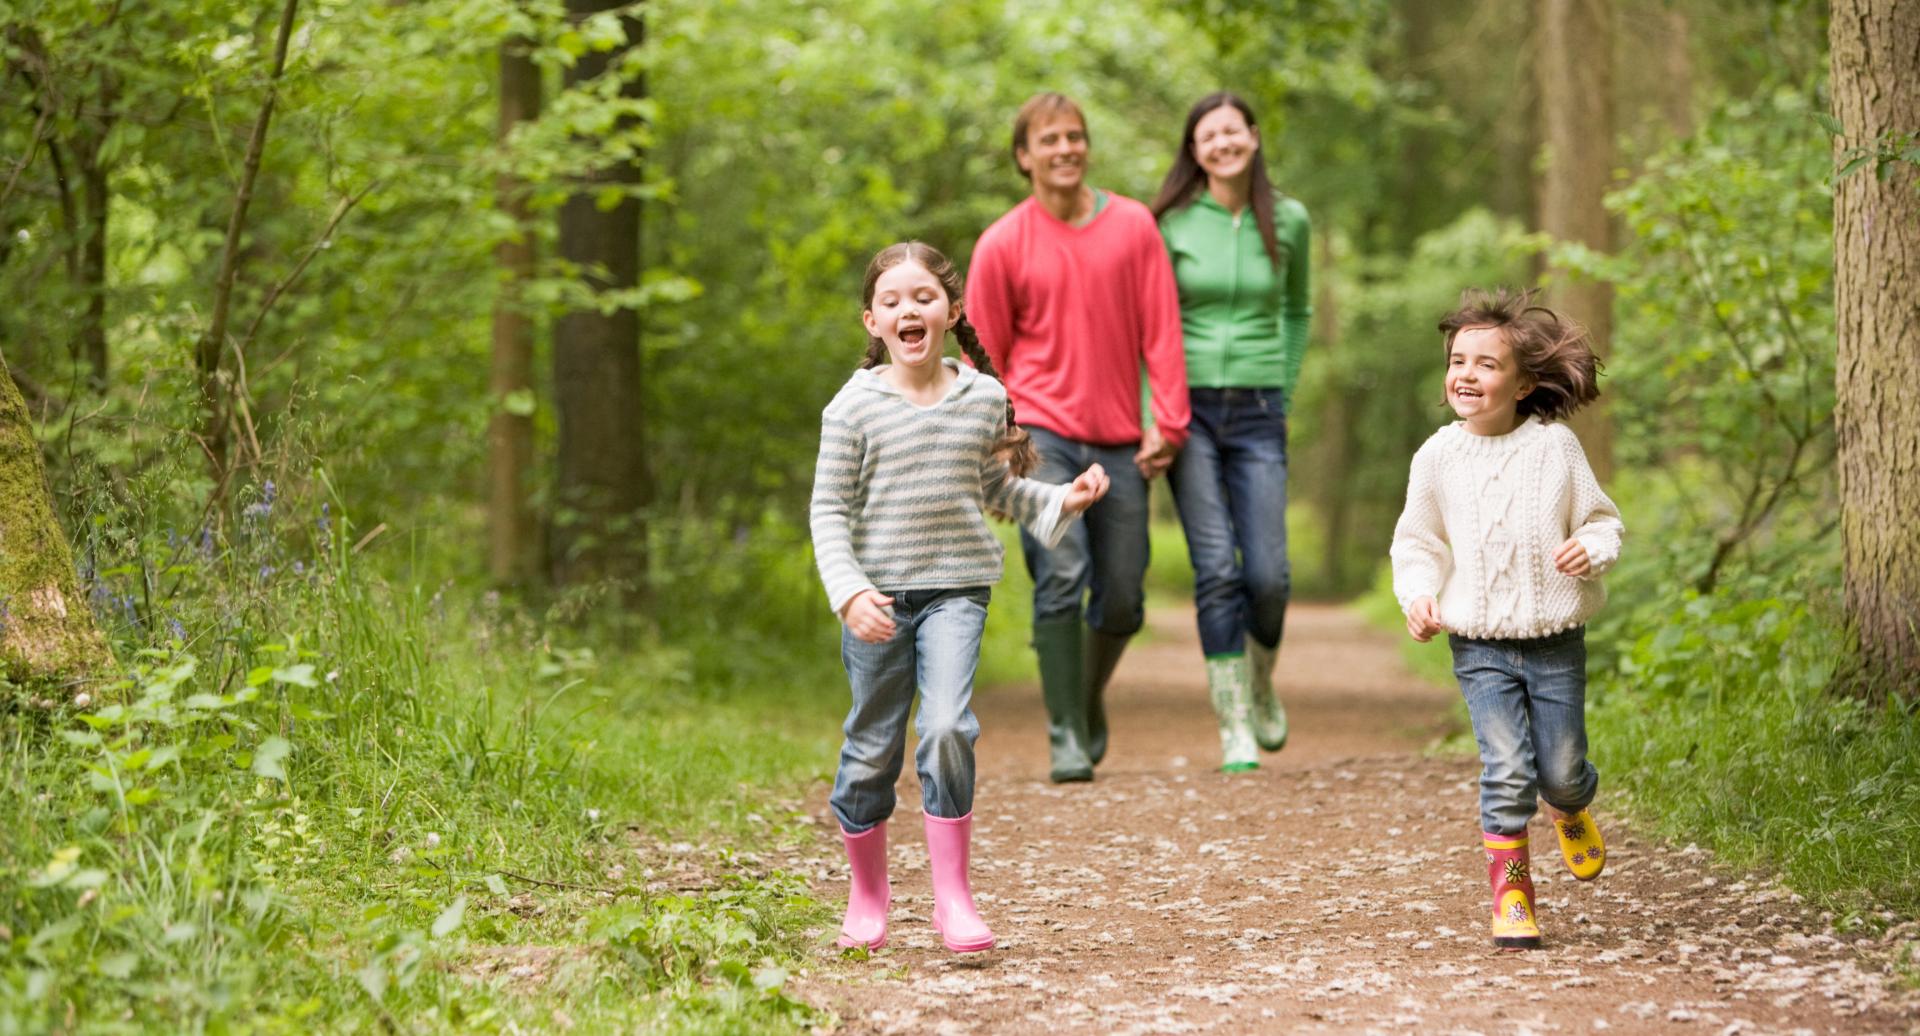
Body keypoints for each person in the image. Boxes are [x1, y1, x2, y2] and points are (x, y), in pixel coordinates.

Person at [811, 241, 1111, 953]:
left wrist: (1061, 500)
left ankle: (953, 897)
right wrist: (849, 593)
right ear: (872, 321)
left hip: (956, 591)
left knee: (947, 727)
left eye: (923, 297)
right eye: (892, 301)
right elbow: (828, 509)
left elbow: (994, 488)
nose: (908, 310)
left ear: (948, 311)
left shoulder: (982, 397)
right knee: (871, 751)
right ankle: (868, 893)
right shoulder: (852, 408)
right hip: (877, 601)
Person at [967, 92, 1191, 783]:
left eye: (1075, 136)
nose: (1065, 148)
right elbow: (983, 359)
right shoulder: (1003, 242)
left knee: (1123, 593)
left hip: (1121, 438)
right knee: (1062, 575)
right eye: (1049, 139)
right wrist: (998, 450)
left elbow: (1161, 329)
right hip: (1041, 439)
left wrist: (1170, 422)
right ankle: (1065, 731)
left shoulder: (1132, 226)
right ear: (1023, 157)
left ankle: (1083, 697)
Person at [1390, 288, 1623, 950]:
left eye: (1486, 364)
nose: (1466, 373)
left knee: (1560, 770)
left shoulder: (1555, 448)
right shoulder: (1437, 457)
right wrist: (1419, 595)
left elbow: (1602, 520)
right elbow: (1418, 542)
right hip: (1479, 644)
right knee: (1507, 768)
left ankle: (1571, 807)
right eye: (1457, 359)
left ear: (1524, 384)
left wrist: (1592, 550)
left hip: (1555, 642)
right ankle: (1512, 892)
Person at [1149, 92, 1312, 772]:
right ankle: (1234, 724)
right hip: (1188, 412)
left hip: (1259, 409)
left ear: (1252, 136)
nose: (1221, 143)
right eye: (1207, 135)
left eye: (1232, 131)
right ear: (1194, 150)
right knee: (1216, 568)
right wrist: (1154, 411)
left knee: (1268, 574)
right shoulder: (1173, 224)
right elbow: (1150, 322)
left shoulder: (1292, 220)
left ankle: (1261, 680)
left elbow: (1298, 309)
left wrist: (1284, 381)